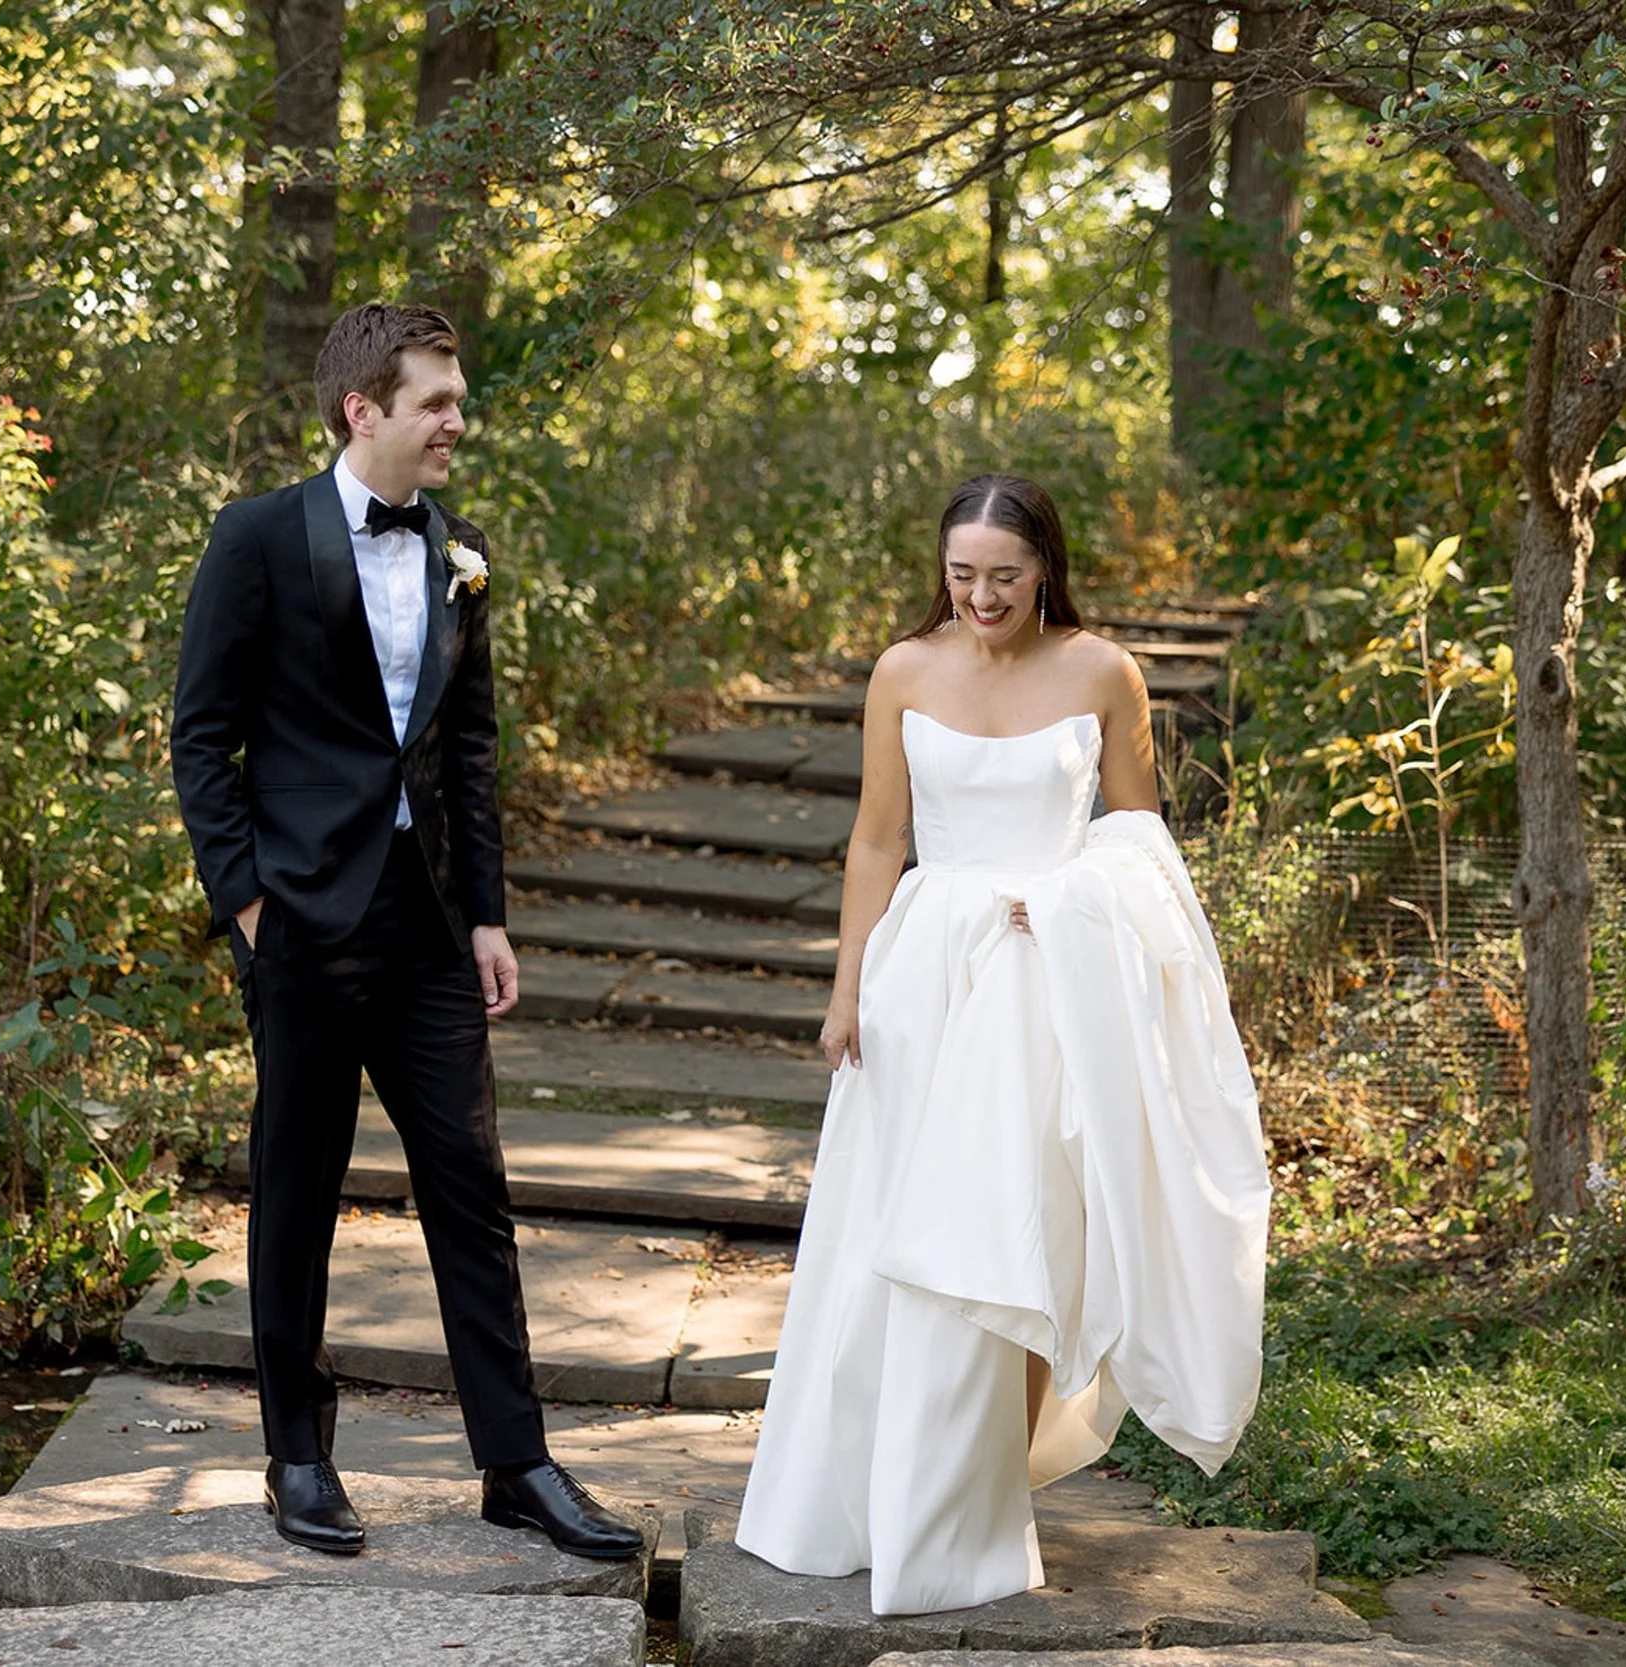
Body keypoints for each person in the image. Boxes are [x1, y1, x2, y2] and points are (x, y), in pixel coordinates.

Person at [733, 473, 1270, 1616]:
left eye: (1003, 576)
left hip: (1041, 980)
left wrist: (1069, 901)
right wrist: (845, 989)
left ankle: (974, 1509)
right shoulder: (902, 671)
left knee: (1015, 1233)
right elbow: (877, 840)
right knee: (892, 1224)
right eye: (961, 574)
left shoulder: (1102, 672)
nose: (979, 594)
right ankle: (858, 1498)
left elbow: (1139, 841)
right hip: (921, 974)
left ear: (1045, 570)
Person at [170, 302, 642, 1562]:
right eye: (436, 400)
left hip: (430, 925)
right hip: (302, 925)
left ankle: (515, 1461)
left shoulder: (462, 550)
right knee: (297, 1193)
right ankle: (298, 1457)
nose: (456, 421)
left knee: (471, 1191)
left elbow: (469, 746)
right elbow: (199, 736)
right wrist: (249, 902)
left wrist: (485, 910)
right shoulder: (257, 537)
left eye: (458, 398)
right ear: (360, 409)